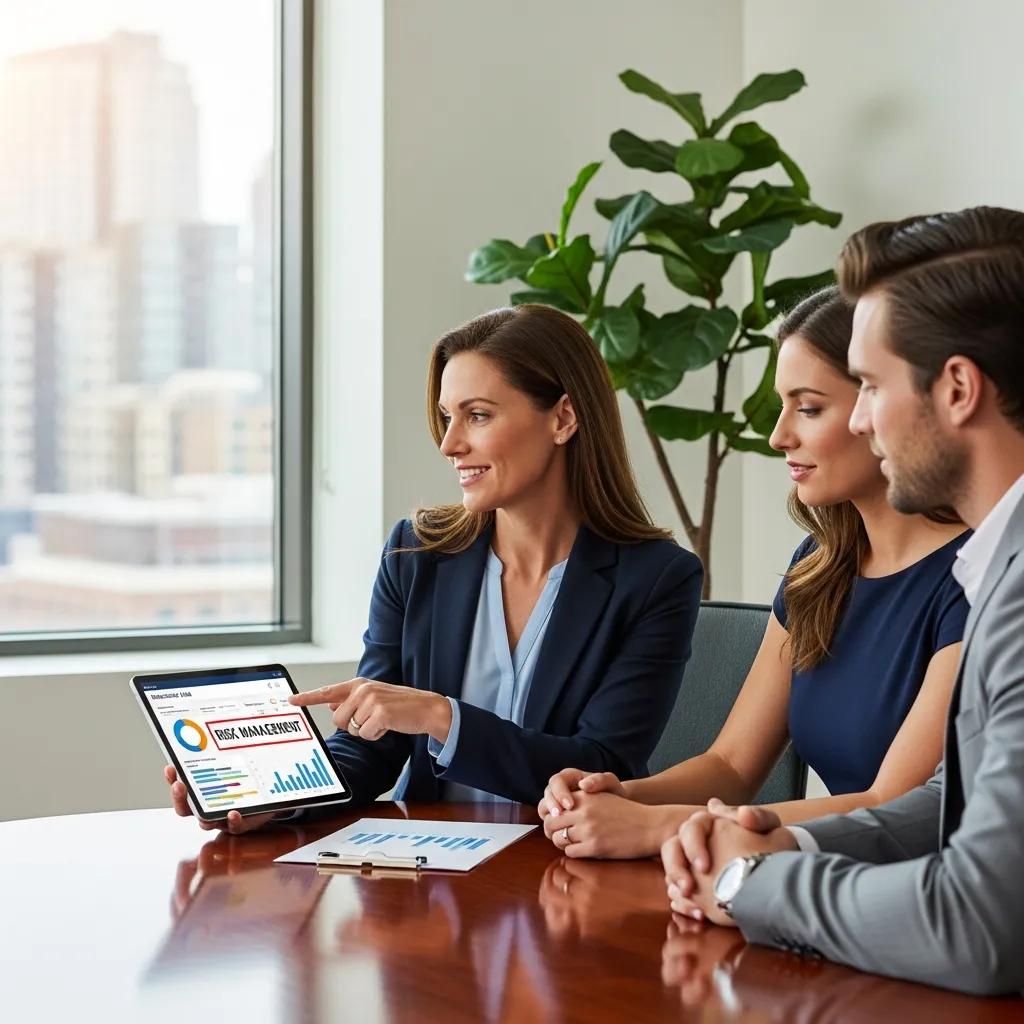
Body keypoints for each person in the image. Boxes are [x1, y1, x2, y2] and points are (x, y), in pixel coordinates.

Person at [661, 206, 1024, 996]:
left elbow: (979, 925)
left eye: (867, 385)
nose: (860, 417)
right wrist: (788, 850)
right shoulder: (999, 568)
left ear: (957, 388)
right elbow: (946, 801)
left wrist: (748, 888)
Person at [165, 303, 702, 833]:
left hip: (567, 872)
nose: (450, 444)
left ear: (563, 417)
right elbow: (371, 747)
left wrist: (442, 718)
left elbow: (601, 766)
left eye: (478, 415)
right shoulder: (416, 555)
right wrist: (282, 798)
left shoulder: (656, 579)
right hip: (425, 877)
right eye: (448, 417)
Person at [538, 287, 969, 859]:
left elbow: (892, 805)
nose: (778, 435)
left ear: (884, 405)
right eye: (782, 406)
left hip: (918, 903)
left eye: (809, 408)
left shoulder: (976, 575)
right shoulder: (817, 568)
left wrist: (665, 827)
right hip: (814, 885)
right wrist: (620, 796)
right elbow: (732, 765)